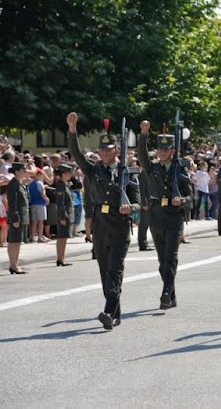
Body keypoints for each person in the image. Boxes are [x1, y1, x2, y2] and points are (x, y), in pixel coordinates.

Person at [67, 112, 140, 330]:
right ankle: (115, 314)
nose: (104, 153)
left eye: (109, 149)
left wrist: (130, 208)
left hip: (118, 225)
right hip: (100, 225)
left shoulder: (127, 173)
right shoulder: (93, 170)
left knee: (115, 269)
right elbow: (76, 153)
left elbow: (138, 203)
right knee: (104, 269)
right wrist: (72, 130)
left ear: (117, 150)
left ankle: (108, 310)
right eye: (102, 150)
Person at [138, 121, 193, 310]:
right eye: (160, 149)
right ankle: (172, 295)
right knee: (162, 261)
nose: (162, 152)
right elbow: (141, 154)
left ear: (172, 150)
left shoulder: (180, 169)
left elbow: (191, 196)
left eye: (166, 149)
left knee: (171, 257)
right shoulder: (152, 168)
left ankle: (166, 292)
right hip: (156, 216)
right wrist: (143, 135)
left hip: (174, 217)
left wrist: (182, 200)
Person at [7, 162, 29, 274]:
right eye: (23, 170)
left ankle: (15, 263)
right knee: (14, 241)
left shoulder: (19, 184)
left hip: (22, 216)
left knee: (18, 241)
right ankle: (13, 265)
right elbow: (12, 203)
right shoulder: (13, 184)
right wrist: (15, 218)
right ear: (16, 172)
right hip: (17, 217)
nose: (25, 172)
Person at [55, 164, 75, 267]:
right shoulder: (60, 185)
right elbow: (60, 203)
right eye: (69, 173)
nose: (71, 175)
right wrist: (62, 217)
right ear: (64, 174)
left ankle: (62, 258)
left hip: (68, 215)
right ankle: (60, 258)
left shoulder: (65, 184)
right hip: (64, 216)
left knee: (64, 237)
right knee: (62, 237)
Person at [28, 168, 50, 243]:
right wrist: (47, 199)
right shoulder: (39, 183)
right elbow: (42, 193)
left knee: (34, 221)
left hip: (33, 203)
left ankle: (32, 237)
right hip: (40, 203)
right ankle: (40, 237)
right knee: (41, 221)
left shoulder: (30, 184)